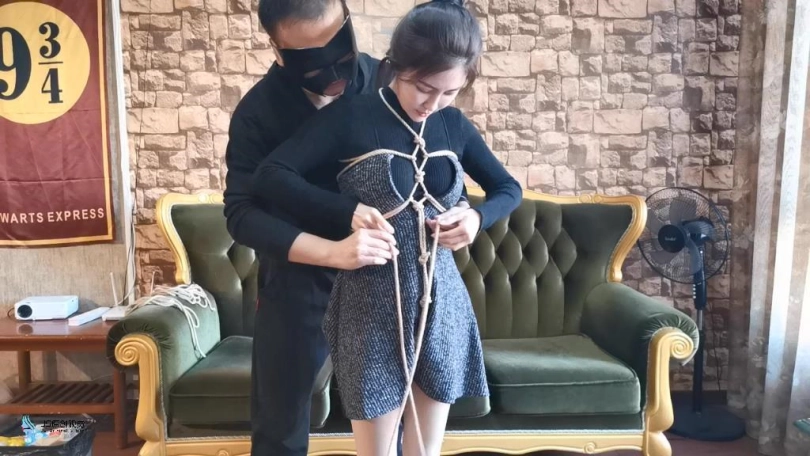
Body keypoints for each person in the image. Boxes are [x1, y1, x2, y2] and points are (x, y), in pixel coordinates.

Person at [249, 1, 523, 454]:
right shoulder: (351, 116)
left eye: (450, 92)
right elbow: (271, 176)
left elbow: (507, 188)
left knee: (425, 451)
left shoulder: (452, 125)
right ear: (397, 65)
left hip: (442, 302)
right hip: (370, 306)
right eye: (423, 87)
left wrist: (476, 217)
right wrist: (346, 211)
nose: (431, 104)